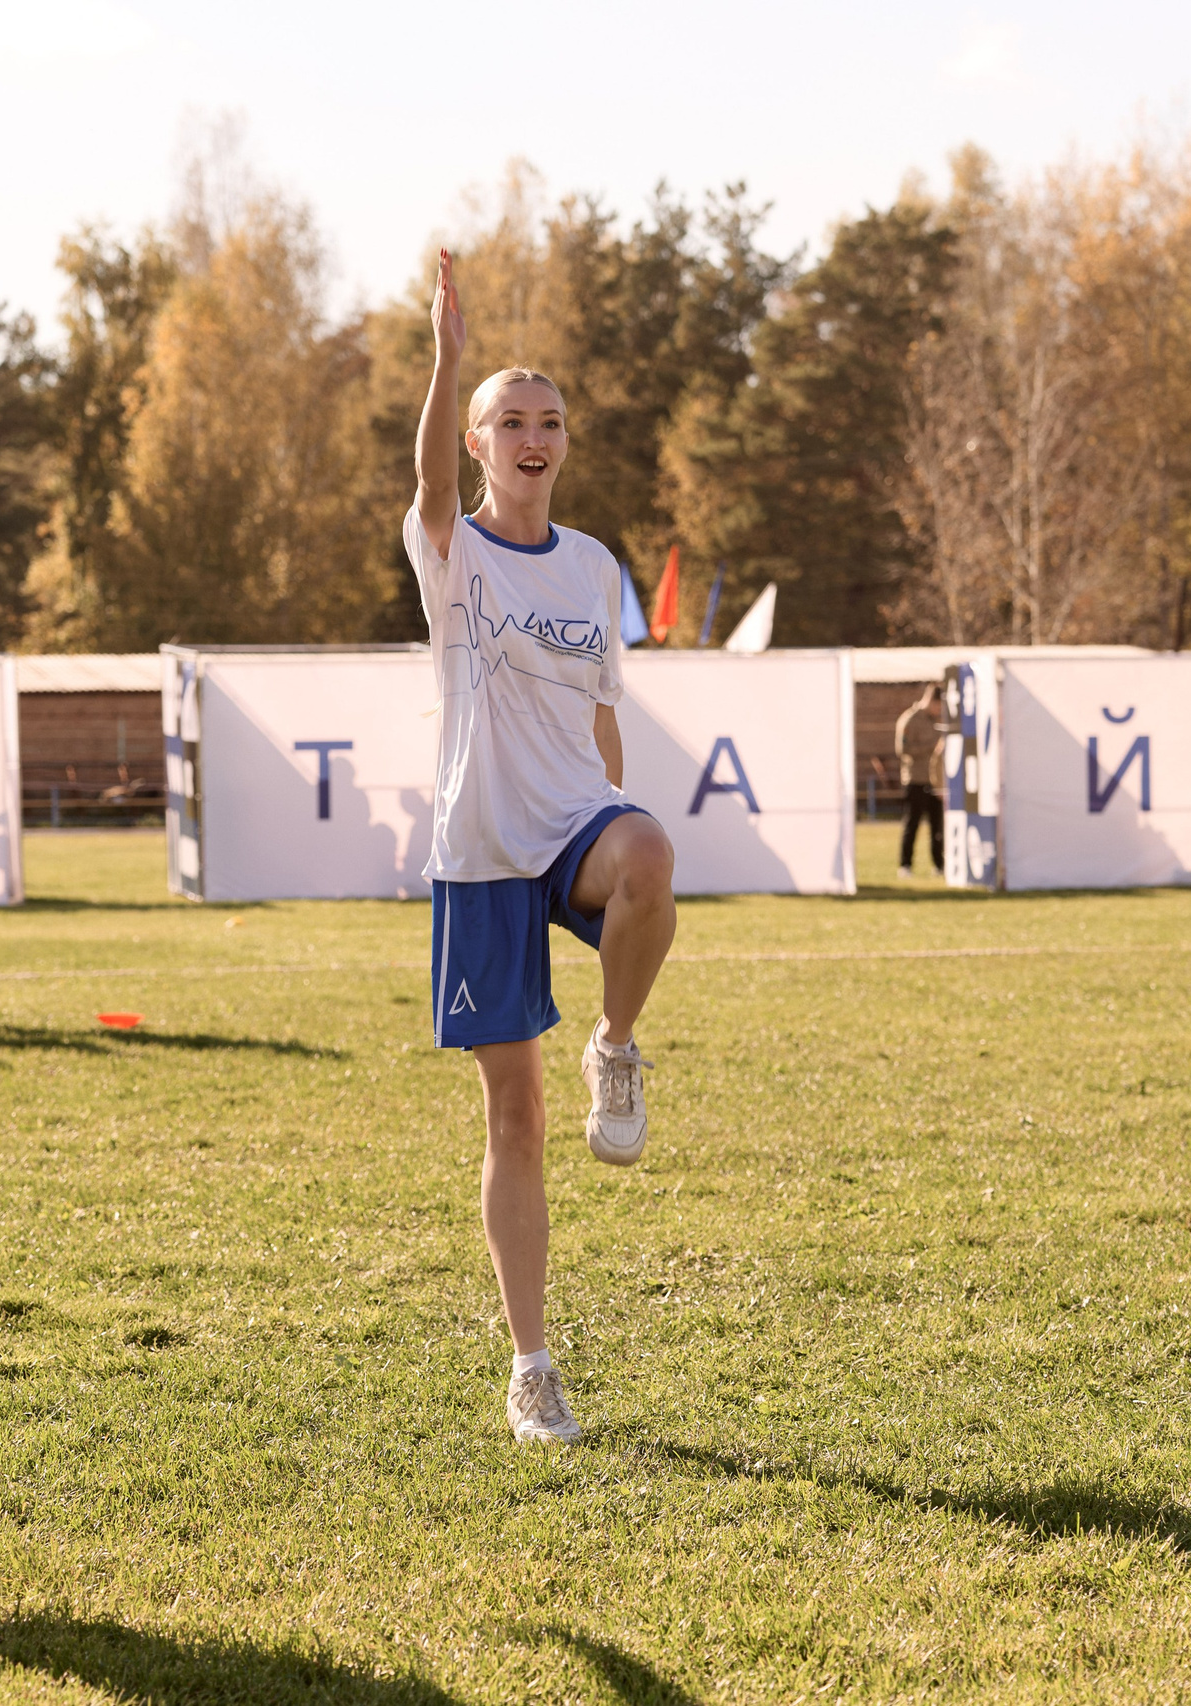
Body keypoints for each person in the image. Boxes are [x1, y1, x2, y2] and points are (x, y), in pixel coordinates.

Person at [407, 251, 679, 1445]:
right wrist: (446, 364)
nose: (533, 434)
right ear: (478, 443)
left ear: (565, 442)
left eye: (549, 420)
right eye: (509, 420)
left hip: (573, 820)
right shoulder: (450, 550)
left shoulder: (594, 563)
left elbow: (603, 708)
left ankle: (615, 1046)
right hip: (480, 851)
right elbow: (420, 486)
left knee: (653, 853)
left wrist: (611, 811)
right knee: (511, 1120)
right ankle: (531, 1367)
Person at [893, 685, 945, 879]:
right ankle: (905, 866)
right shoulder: (910, 719)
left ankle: (939, 866)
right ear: (931, 701)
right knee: (912, 825)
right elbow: (902, 749)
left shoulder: (938, 721)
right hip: (915, 779)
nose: (939, 710)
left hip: (936, 781)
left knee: (937, 827)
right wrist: (931, 746)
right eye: (938, 706)